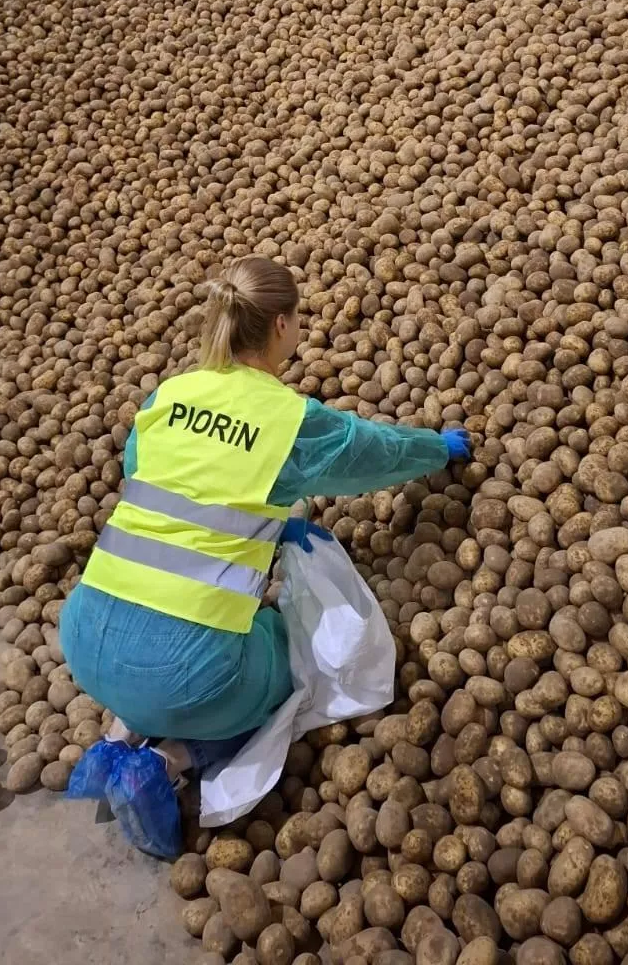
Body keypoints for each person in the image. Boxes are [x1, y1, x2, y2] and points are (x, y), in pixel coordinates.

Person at [59, 255, 471, 854]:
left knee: (165, 643)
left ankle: (117, 743)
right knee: (298, 655)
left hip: (86, 638)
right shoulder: (288, 421)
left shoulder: (166, 398)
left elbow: (166, 501)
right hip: (187, 674)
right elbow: (374, 453)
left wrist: (265, 529)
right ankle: (170, 763)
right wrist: (440, 448)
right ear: (281, 325)